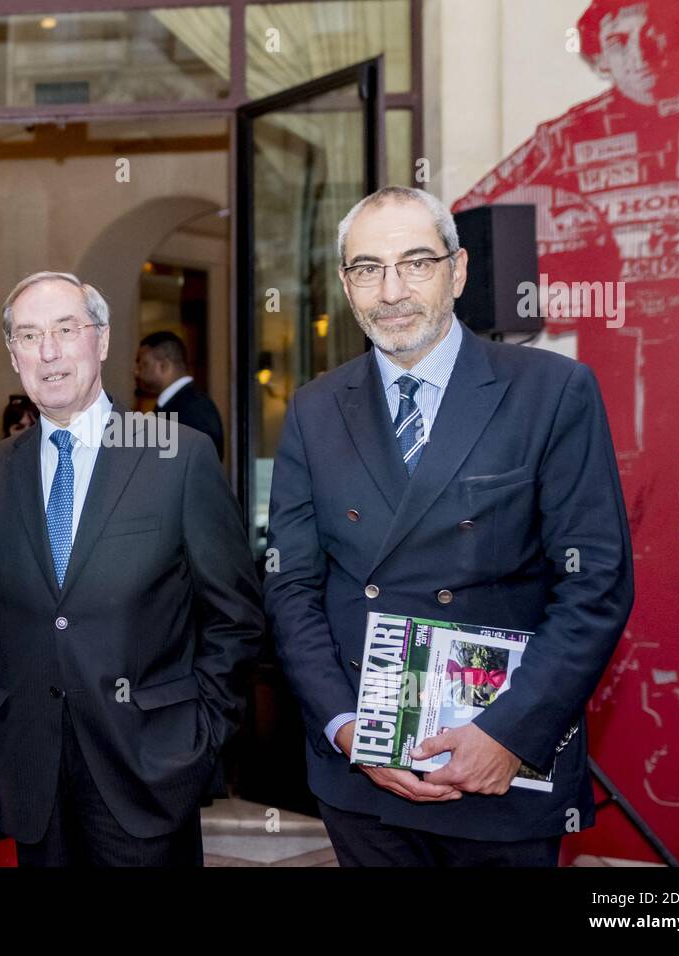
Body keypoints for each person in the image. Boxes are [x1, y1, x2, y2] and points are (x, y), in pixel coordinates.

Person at [264, 187, 633, 866]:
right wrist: (348, 729)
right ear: (347, 286)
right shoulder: (315, 410)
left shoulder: (551, 392)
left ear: (458, 271)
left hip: (499, 776)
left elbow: (596, 585)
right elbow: (292, 590)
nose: (392, 290)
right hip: (364, 781)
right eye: (368, 268)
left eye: (416, 263)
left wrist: (509, 734)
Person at [453, 0, 679, 674]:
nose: (640, 48)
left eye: (654, 28)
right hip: (620, 359)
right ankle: (667, 692)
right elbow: (473, 220)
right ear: (598, 53)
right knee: (635, 537)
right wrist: (551, 296)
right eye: (619, 36)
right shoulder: (569, 135)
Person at [0, 270, 263, 866]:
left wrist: (199, 739)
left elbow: (234, 618)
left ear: (104, 340)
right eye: (31, 336)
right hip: (30, 779)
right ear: (14, 355)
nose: (50, 352)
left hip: (150, 773)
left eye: (67, 330)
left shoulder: (179, 456)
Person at [134, 331, 224, 460]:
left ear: (163, 366)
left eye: (143, 364)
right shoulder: (176, 406)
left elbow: (201, 468)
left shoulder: (195, 409)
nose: (137, 372)